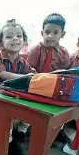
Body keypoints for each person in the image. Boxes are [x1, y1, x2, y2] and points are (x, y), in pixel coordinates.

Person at [0, 20, 36, 155]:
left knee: (35, 109)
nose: (15, 38)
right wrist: (24, 77)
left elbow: (32, 73)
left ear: (24, 41)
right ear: (0, 43)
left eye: (19, 36)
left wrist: (33, 75)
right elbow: (3, 75)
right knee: (7, 120)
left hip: (17, 96)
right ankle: (5, 146)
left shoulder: (23, 62)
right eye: (9, 36)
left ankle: (20, 133)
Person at [27, 13, 71, 145]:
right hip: (37, 86)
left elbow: (66, 72)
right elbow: (28, 69)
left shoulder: (64, 53)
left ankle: (59, 130)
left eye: (55, 32)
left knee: (65, 105)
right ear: (42, 32)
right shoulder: (36, 50)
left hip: (56, 88)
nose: (50, 36)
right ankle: (21, 133)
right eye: (47, 32)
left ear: (62, 34)